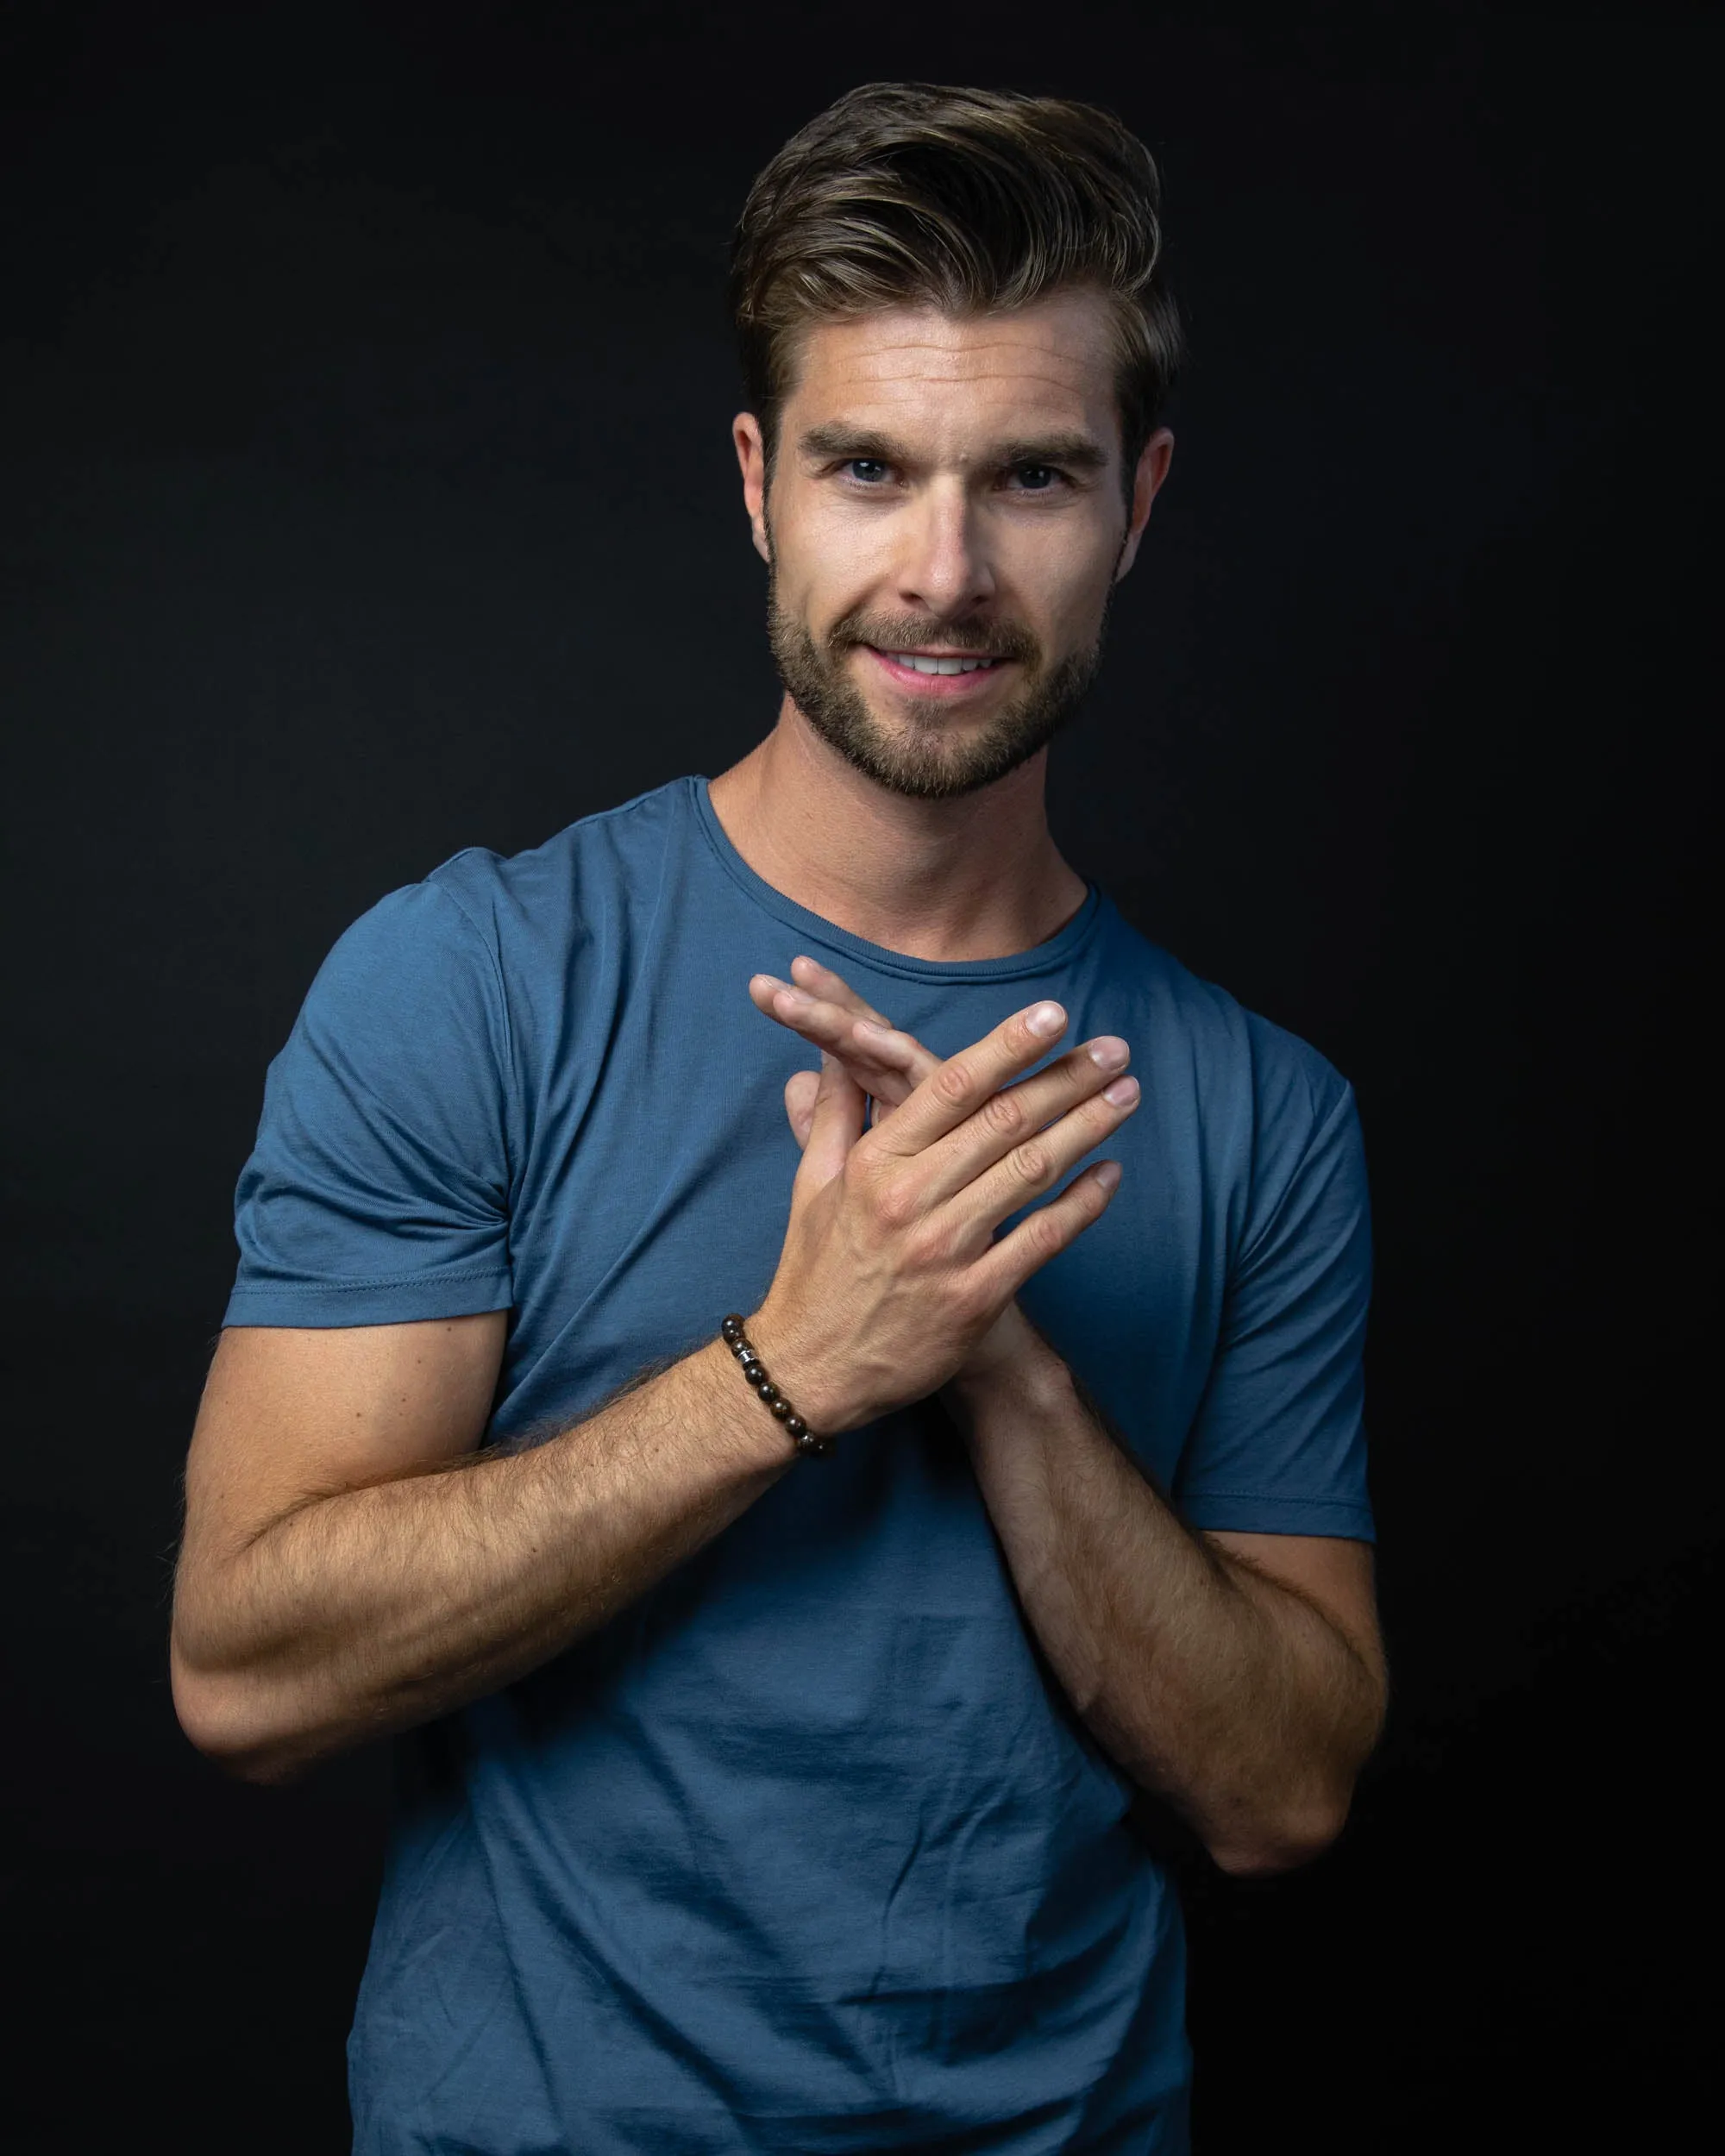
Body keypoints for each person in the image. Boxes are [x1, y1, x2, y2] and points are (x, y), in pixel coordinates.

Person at [171, 80, 1387, 2155]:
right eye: (865, 468)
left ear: (1139, 501)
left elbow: (1281, 1790)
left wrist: (993, 1358)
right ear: (758, 484)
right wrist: (800, 1360)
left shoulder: (1264, 1114)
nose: (941, 569)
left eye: (1028, 477)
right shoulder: (473, 980)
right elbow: (250, 1669)